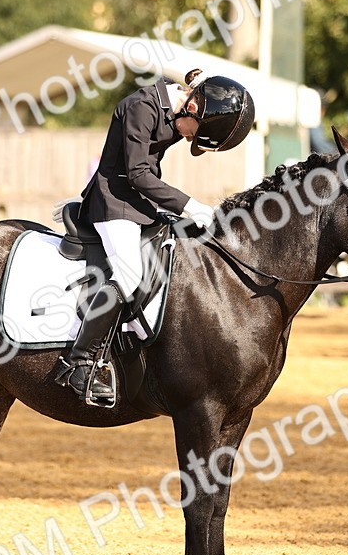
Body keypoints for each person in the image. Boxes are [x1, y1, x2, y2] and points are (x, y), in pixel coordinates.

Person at [54, 69, 255, 406]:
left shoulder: (180, 109)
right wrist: (191, 205)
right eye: (196, 134)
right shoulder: (141, 107)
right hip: (113, 201)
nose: (189, 140)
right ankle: (80, 362)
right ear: (193, 108)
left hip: (140, 203)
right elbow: (137, 173)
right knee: (130, 274)